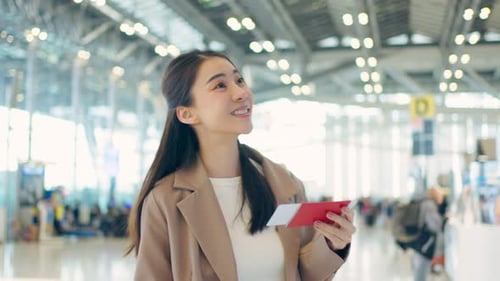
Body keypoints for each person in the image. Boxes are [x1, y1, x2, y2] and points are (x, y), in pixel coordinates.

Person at [126, 49, 356, 280]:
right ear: (187, 114)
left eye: (239, 80)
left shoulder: (285, 186)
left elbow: (303, 273)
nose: (241, 93)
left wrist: (331, 245)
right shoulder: (166, 201)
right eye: (220, 86)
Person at [411, 186, 444, 281]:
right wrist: (442, 220)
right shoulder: (429, 204)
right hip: (425, 242)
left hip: (420, 240)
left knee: (420, 268)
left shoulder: (424, 202)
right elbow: (435, 225)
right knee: (422, 269)